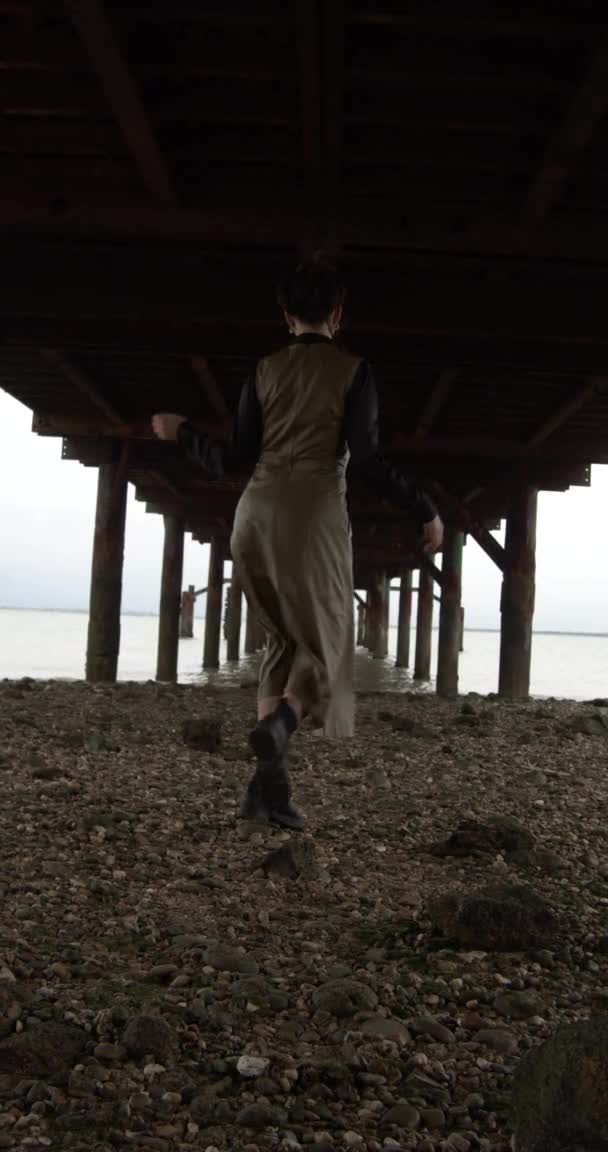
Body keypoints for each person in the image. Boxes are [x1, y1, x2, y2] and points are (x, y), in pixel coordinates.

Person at [152, 257, 443, 831]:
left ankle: (269, 796)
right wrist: (424, 508)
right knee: (330, 646)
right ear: (337, 314)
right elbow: (366, 461)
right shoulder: (355, 371)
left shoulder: (262, 370)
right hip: (315, 516)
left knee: (284, 642)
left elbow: (233, 458)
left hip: (253, 517)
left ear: (286, 317)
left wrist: (183, 430)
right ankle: (282, 723)